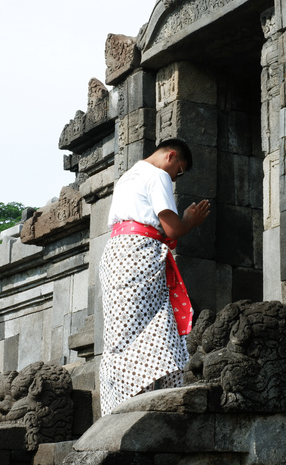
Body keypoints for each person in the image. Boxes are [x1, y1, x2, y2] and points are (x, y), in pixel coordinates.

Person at [98, 138, 210, 416]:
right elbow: (171, 229)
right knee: (156, 328)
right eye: (179, 171)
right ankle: (146, 395)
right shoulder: (158, 174)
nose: (176, 177)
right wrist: (189, 221)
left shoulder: (127, 176)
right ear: (171, 156)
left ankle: (119, 398)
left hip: (115, 254)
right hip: (139, 254)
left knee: (122, 334)